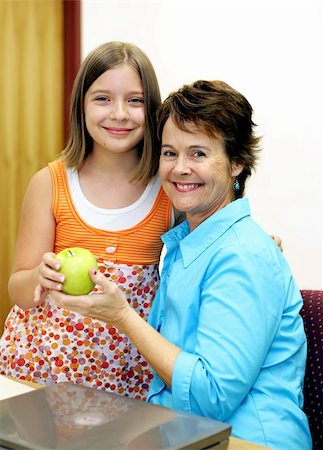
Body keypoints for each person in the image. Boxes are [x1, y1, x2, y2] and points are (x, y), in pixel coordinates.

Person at [51, 80, 312, 449]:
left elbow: (211, 396)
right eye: (170, 153)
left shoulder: (245, 255)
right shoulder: (191, 243)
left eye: (199, 154)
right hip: (187, 434)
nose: (179, 169)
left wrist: (123, 317)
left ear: (237, 162)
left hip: (249, 441)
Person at [0, 41, 176, 400]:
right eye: (102, 99)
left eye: (135, 100)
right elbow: (17, 288)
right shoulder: (50, 183)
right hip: (40, 368)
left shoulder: (167, 189)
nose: (119, 114)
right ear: (80, 105)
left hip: (126, 373)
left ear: (152, 109)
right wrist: (38, 277)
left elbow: (209, 241)